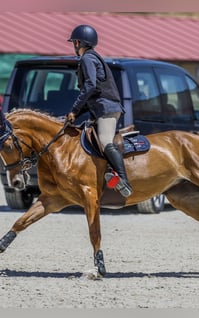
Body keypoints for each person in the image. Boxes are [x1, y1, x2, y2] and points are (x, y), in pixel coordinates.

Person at [66, 24, 132, 197]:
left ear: (78, 42)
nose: (74, 45)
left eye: (74, 42)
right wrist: (75, 114)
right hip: (101, 107)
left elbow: (90, 86)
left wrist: (74, 109)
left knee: (104, 141)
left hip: (106, 108)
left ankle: (124, 180)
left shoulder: (87, 58)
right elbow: (91, 93)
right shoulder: (92, 57)